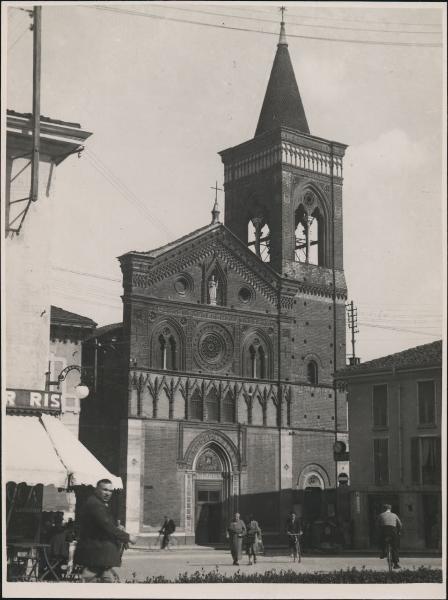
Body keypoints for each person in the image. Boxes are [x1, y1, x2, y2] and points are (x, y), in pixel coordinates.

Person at [74, 479, 137, 582]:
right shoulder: (95, 504)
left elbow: (106, 525)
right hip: (96, 549)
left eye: (110, 491)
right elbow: (106, 525)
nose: (108, 493)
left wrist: (118, 530)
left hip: (99, 550)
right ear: (96, 490)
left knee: (106, 576)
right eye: (105, 490)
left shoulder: (97, 502)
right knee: (90, 575)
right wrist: (128, 537)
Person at [376, 504, 402, 569]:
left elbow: (377, 525)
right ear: (390, 509)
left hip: (384, 531)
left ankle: (383, 552)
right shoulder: (394, 515)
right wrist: (398, 531)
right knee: (395, 547)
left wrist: (379, 531)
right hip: (393, 531)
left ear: (383, 509)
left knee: (381, 540)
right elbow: (400, 525)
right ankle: (396, 564)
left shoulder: (381, 515)